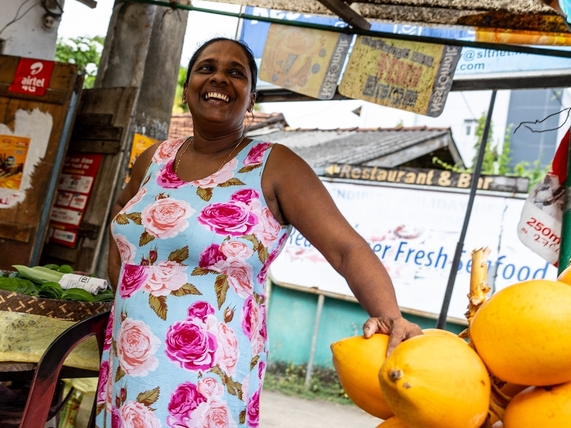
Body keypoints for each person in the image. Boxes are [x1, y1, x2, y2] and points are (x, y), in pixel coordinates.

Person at [96, 37, 422, 428]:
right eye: (207, 68)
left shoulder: (274, 166)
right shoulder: (154, 159)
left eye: (236, 73)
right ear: (187, 88)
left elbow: (345, 248)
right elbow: (124, 216)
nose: (219, 77)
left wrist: (389, 314)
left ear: (251, 98)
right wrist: (127, 296)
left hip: (207, 381)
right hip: (128, 363)